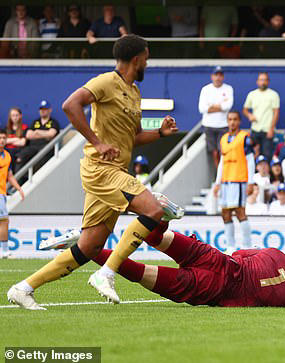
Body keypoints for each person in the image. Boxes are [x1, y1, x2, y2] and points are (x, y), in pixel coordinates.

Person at [6, 35, 180, 310]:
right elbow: (70, 105)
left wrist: (159, 133)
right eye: (146, 57)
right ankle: (106, 273)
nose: (148, 62)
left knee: (89, 247)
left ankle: (23, 288)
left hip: (115, 170)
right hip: (101, 170)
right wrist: (96, 142)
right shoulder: (105, 82)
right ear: (137, 58)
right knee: (154, 210)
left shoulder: (134, 92)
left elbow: (131, 138)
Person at [74, 221, 285, 307]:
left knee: (157, 238)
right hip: (214, 288)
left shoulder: (275, 253)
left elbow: (240, 253)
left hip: (217, 259)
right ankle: (88, 249)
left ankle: (160, 218)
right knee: (142, 272)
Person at [213, 111, 255, 254]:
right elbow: (222, 162)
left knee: (239, 212)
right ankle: (230, 246)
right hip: (226, 181)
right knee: (225, 212)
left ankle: (247, 245)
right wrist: (217, 182)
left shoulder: (245, 138)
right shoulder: (224, 138)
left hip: (239, 180)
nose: (232, 122)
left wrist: (251, 182)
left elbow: (250, 160)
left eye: (235, 119)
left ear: (239, 122)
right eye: (230, 119)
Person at [199, 66, 234, 169]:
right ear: (212, 76)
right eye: (216, 75)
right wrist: (220, 106)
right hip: (209, 125)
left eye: (220, 75)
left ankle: (223, 173)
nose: (218, 78)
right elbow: (202, 108)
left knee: (223, 150)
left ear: (223, 77)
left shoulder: (228, 88)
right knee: (213, 152)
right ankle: (217, 174)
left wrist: (211, 106)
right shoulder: (206, 89)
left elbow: (228, 106)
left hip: (223, 125)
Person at [243, 72, 280, 161]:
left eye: (265, 80)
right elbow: (245, 109)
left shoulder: (273, 94)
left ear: (268, 82)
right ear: (257, 81)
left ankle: (265, 175)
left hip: (267, 131)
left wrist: (271, 129)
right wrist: (249, 115)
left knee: (267, 156)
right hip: (255, 130)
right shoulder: (252, 94)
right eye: (261, 80)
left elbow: (276, 113)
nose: (263, 82)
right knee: (253, 155)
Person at [14, 100, 60, 171]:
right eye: (41, 109)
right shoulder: (35, 122)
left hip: (45, 146)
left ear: (50, 110)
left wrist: (37, 132)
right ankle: (20, 180)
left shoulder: (53, 122)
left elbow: (51, 134)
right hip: (32, 146)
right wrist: (44, 134)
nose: (43, 111)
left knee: (40, 158)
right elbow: (28, 135)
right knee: (20, 158)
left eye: (45, 109)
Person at [0, 130, 25, 258]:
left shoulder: (7, 155)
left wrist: (19, 188)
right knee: (4, 221)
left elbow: (9, 175)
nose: (2, 140)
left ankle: (3, 250)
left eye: (4, 138)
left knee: (4, 221)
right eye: (0, 138)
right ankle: (4, 251)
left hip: (2, 192)